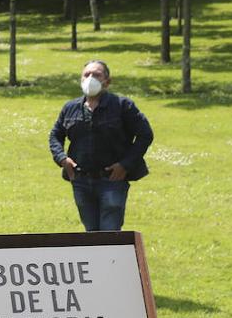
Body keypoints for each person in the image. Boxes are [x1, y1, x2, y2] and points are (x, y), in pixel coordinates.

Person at [48, 59, 154, 232]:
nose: (91, 78)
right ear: (81, 80)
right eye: (87, 75)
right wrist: (62, 159)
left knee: (109, 234)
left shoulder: (122, 106)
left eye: (97, 75)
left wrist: (125, 165)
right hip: (80, 180)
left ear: (107, 81)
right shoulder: (70, 108)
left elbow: (145, 134)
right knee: (91, 234)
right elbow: (55, 135)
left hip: (112, 180)